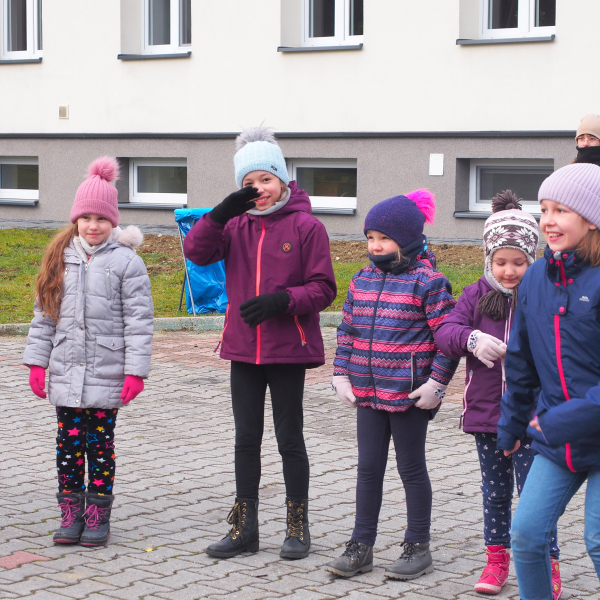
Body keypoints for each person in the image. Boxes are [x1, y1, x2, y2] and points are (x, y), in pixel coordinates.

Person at [184, 126, 336, 560]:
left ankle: (297, 525)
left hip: (287, 350)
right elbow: (196, 252)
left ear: (283, 180)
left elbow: (324, 288)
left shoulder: (307, 227)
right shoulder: (235, 225)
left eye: (266, 179)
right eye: (249, 183)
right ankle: (244, 528)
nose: (259, 189)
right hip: (243, 349)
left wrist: (281, 301)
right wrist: (219, 213)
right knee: (246, 438)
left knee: (289, 438)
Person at [324, 191, 459, 580]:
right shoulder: (361, 278)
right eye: (370, 237)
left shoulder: (429, 282)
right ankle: (361, 545)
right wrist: (341, 372)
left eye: (384, 238)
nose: (376, 245)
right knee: (368, 469)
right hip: (367, 392)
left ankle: (418, 546)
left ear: (408, 238)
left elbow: (447, 339)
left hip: (409, 395)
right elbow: (347, 330)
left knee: (411, 469)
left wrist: (437, 383)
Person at [434, 191, 561, 596]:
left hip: (535, 419)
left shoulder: (544, 294)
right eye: (500, 262)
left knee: (535, 497)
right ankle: (496, 560)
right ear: (488, 259)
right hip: (487, 416)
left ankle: (547, 563)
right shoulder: (475, 295)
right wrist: (471, 339)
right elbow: (445, 332)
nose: (509, 271)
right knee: (495, 493)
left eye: (519, 263)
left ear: (533, 260)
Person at [22, 157, 153, 547]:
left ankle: (97, 516)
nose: (93, 225)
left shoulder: (127, 263)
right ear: (75, 219)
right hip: (65, 370)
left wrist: (135, 371)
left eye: (101, 218)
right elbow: (44, 316)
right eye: (86, 218)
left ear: (113, 221)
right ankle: (70, 514)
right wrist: (37, 363)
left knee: (100, 447)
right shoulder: (59, 259)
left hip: (106, 370)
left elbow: (139, 321)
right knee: (68, 446)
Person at [497, 163, 600, 600]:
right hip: (559, 437)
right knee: (526, 534)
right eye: (544, 209)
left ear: (591, 219)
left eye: (562, 210)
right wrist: (511, 424)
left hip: (570, 426)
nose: (549, 221)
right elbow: (521, 359)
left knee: (598, 539)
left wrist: (558, 421)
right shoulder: (537, 275)